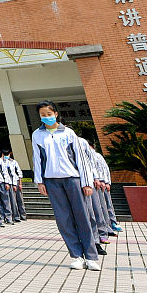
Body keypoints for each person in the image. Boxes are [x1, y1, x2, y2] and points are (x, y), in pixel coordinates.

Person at [32, 100, 100, 271]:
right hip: (52, 181)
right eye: (42, 115)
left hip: (73, 179)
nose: (46, 117)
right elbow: (37, 159)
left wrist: (86, 182)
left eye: (49, 114)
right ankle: (76, 256)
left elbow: (81, 159)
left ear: (55, 114)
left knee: (83, 217)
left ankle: (91, 256)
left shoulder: (68, 133)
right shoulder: (37, 135)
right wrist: (39, 181)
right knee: (64, 220)